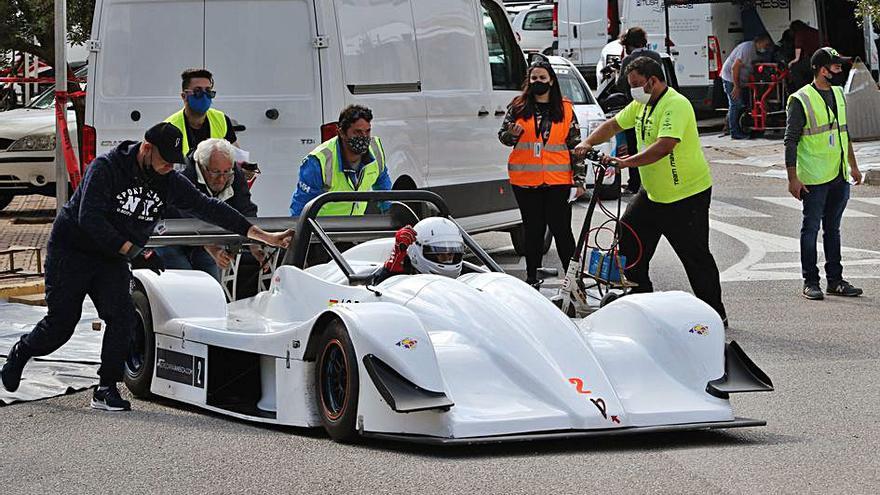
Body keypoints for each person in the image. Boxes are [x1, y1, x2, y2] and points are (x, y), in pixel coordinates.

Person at [0, 123, 292, 411]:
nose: (169, 168)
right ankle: (22, 351)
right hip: (73, 251)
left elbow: (209, 208)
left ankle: (105, 388)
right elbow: (89, 218)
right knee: (61, 324)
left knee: (123, 318)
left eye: (174, 163)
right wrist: (134, 251)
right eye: (165, 161)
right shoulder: (108, 167)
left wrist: (263, 236)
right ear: (147, 148)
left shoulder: (168, 179)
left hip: (111, 258)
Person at [575, 56, 727, 326]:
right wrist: (587, 142)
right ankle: (641, 297)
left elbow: (664, 146)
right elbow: (613, 125)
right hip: (654, 193)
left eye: (636, 84)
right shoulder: (641, 105)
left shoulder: (675, 105)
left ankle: (715, 314)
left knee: (695, 256)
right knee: (629, 236)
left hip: (685, 195)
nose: (633, 90)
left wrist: (625, 162)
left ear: (653, 81)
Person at [784, 47, 863, 300]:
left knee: (834, 229)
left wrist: (853, 166)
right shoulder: (801, 99)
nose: (840, 70)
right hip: (814, 179)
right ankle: (810, 281)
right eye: (836, 66)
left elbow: (843, 132)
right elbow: (791, 141)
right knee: (810, 230)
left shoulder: (839, 94)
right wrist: (792, 178)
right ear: (822, 69)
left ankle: (836, 280)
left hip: (839, 175)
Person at [498, 56, 584, 288]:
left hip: (557, 180)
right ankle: (531, 278)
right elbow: (503, 137)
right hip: (526, 180)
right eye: (534, 77)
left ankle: (573, 279)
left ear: (551, 81)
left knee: (562, 231)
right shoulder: (517, 106)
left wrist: (579, 179)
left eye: (542, 78)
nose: (538, 81)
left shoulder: (565, 110)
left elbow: (575, 146)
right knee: (532, 231)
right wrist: (512, 134)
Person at [155, 138, 266, 280]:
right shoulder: (181, 174)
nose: (221, 179)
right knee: (184, 278)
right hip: (167, 235)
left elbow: (245, 208)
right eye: (215, 172)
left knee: (211, 279)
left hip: (206, 235)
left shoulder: (233, 172)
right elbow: (185, 214)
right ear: (202, 165)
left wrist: (254, 244)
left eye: (226, 172)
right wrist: (212, 247)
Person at [289, 105, 392, 217]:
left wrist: (390, 216)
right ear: (342, 133)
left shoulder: (375, 151)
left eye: (367, 131)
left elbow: (383, 187)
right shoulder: (318, 162)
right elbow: (301, 207)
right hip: (322, 229)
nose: (364, 137)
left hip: (355, 227)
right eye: (357, 132)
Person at [614, 27, 662, 194]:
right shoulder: (655, 56)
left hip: (635, 105)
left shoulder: (629, 60)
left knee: (634, 146)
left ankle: (635, 183)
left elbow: (621, 84)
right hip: (657, 104)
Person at [369, 217, 465, 284]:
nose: (448, 259)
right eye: (440, 253)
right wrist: (391, 269)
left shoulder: (466, 274)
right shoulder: (403, 278)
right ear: (416, 251)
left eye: (452, 253)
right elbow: (378, 291)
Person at [165, 68, 238, 156]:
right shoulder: (170, 126)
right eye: (197, 91)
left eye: (208, 91)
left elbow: (237, 157)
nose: (204, 96)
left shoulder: (221, 119)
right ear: (184, 96)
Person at [720, 33, 774, 140]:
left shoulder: (758, 52)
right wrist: (736, 86)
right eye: (766, 44)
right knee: (736, 104)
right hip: (731, 78)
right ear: (760, 41)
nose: (767, 46)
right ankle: (734, 132)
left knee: (744, 104)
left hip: (742, 80)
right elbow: (735, 67)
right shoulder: (747, 49)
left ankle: (737, 127)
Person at [788, 20, 821, 90]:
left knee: (795, 69)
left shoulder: (800, 33)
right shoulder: (814, 31)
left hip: (813, 58)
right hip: (822, 56)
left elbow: (798, 48)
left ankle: (802, 89)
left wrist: (793, 61)